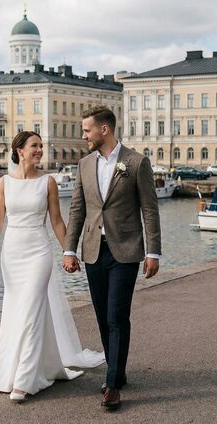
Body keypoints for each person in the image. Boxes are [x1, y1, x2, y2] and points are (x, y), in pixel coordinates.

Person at [0, 131, 105, 404]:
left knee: (32, 310)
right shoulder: (4, 183)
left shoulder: (47, 182)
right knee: (17, 311)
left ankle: (24, 381)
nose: (39, 150)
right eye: (34, 146)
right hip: (12, 254)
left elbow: (58, 222)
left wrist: (69, 251)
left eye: (40, 146)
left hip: (39, 252)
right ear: (20, 151)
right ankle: (15, 371)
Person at [63, 106, 161, 411]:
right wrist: (69, 249)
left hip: (126, 250)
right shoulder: (83, 164)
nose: (83, 136)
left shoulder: (135, 162)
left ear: (104, 130)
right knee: (103, 316)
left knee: (117, 315)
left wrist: (153, 251)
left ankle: (113, 385)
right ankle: (116, 370)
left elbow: (149, 209)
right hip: (93, 250)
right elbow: (78, 209)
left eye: (87, 130)